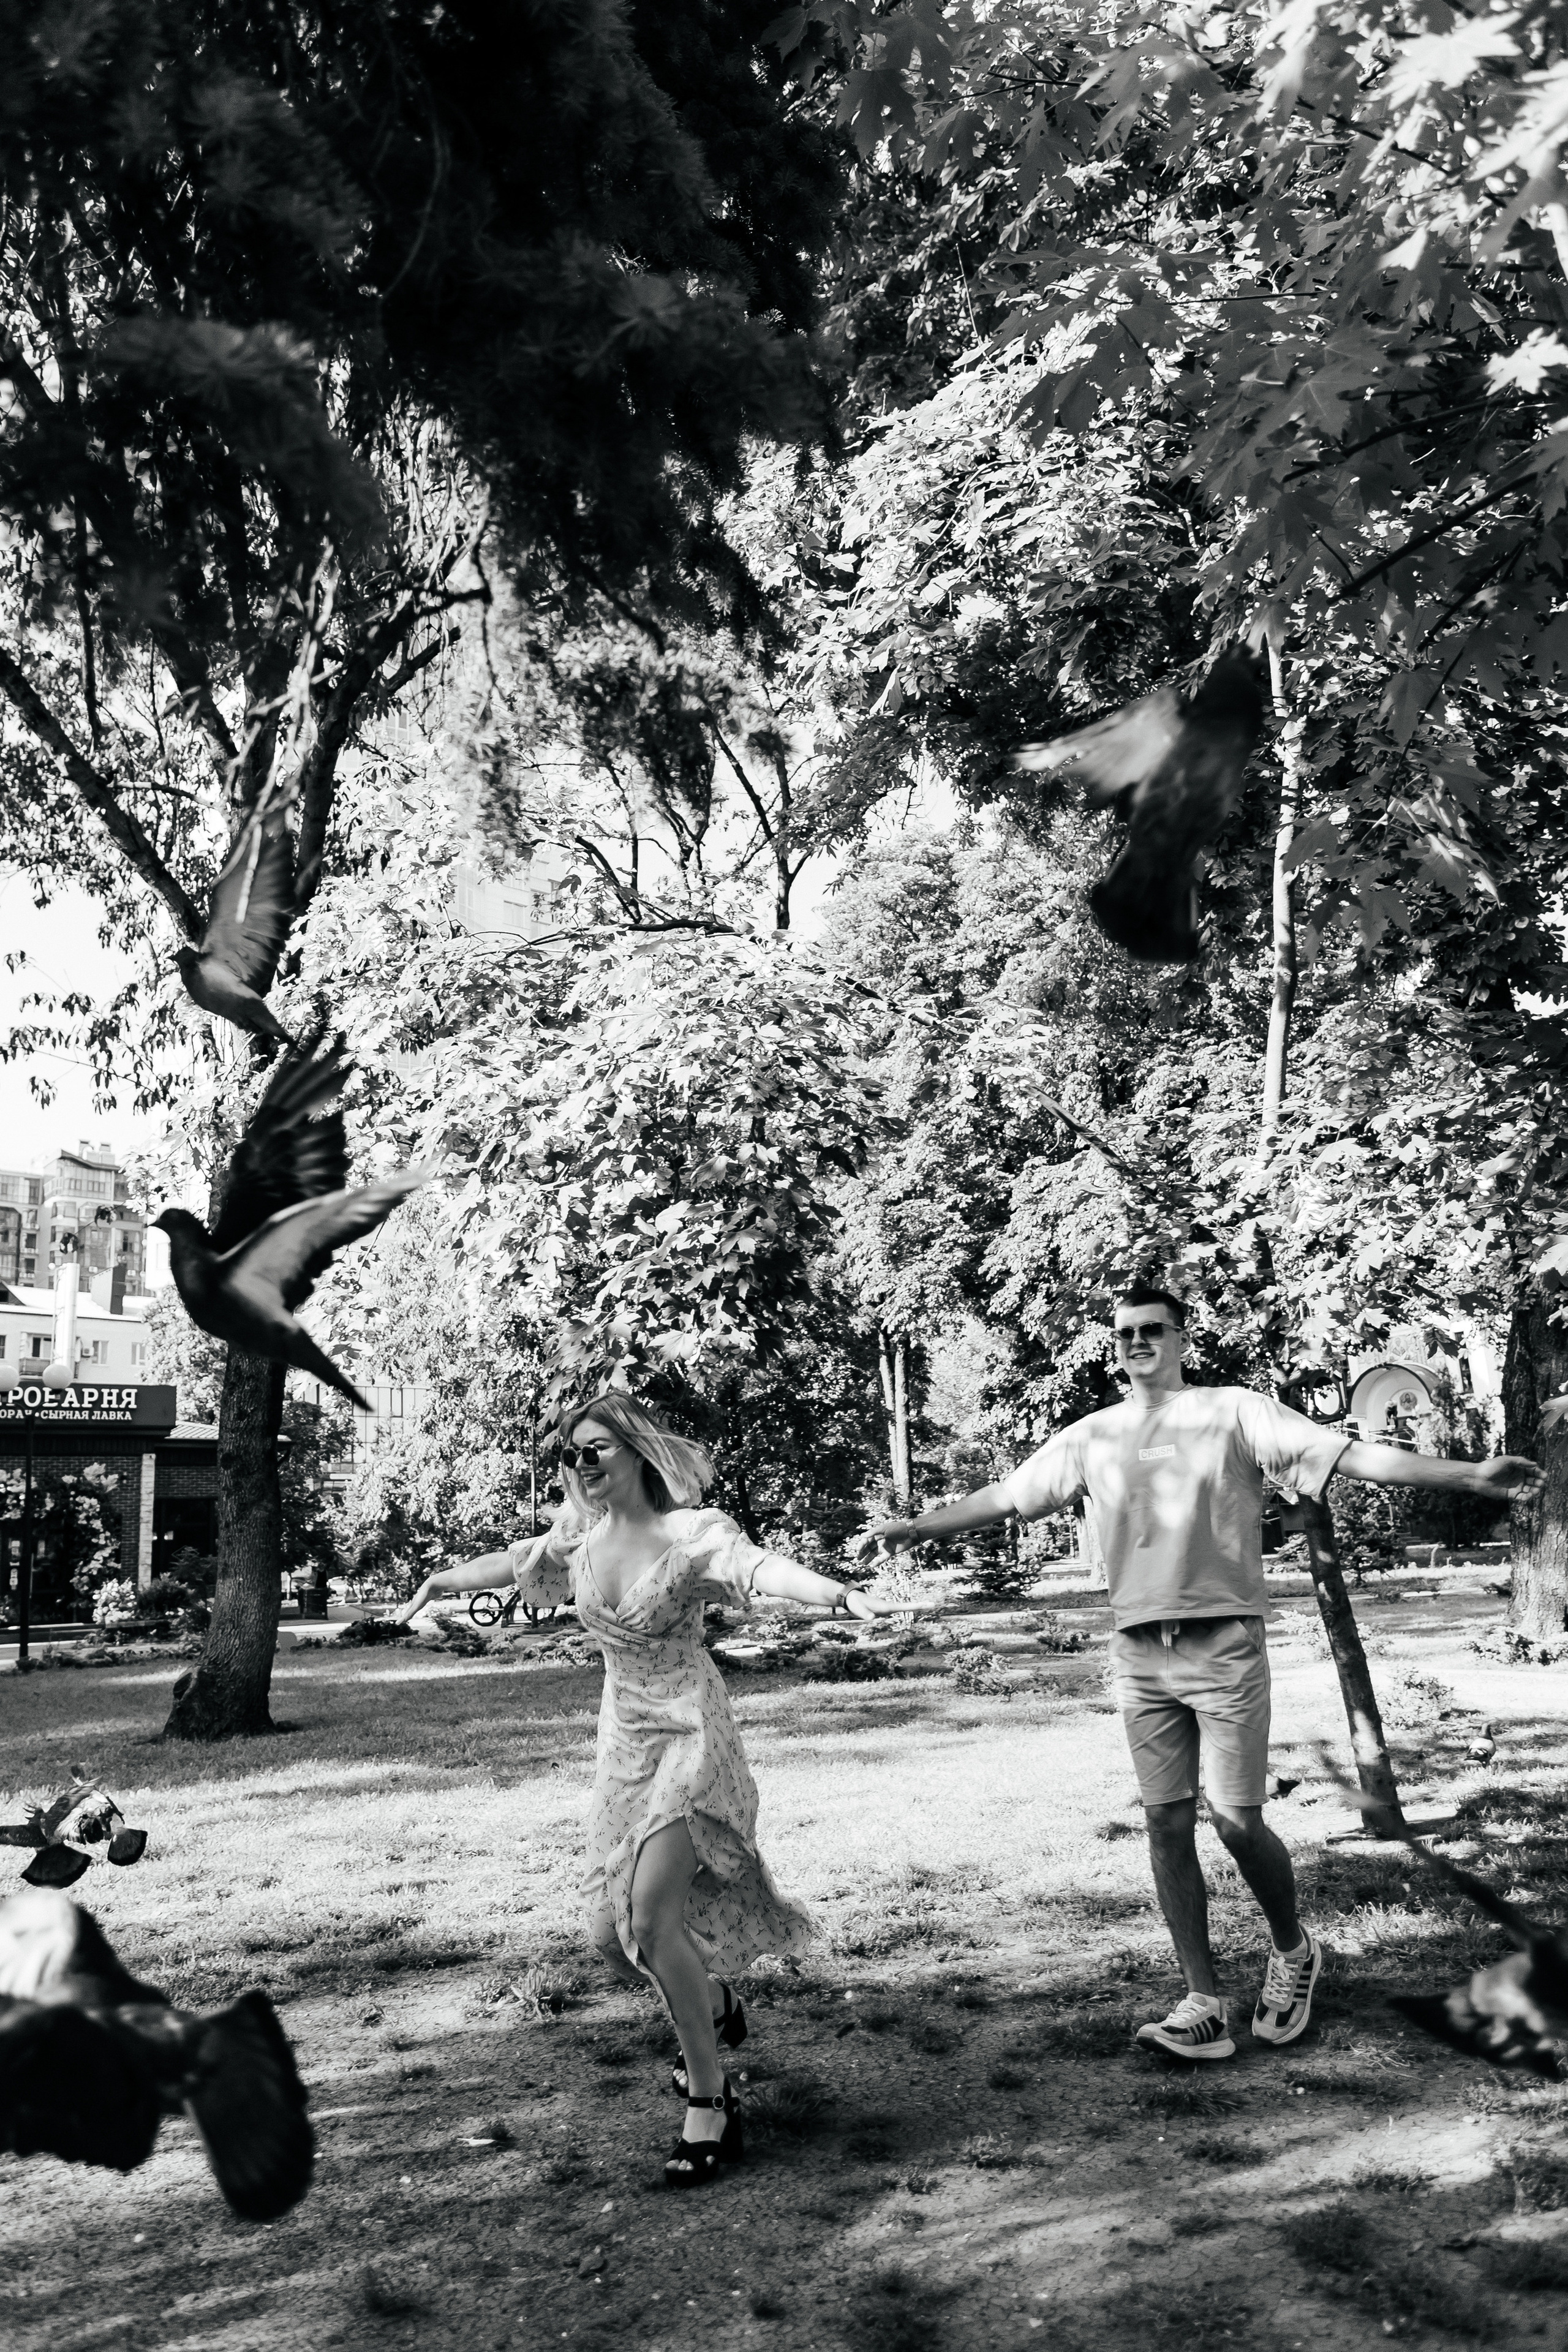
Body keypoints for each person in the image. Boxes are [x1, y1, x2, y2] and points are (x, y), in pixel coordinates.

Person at [870, 1284, 1542, 2062]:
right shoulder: (1093, 1435)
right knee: (1164, 1821)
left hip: (1222, 1644)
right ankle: (1201, 2003)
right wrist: (917, 1527)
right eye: (1124, 1333)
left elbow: (1351, 1456)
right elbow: (1007, 1496)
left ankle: (1292, 1950)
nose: (1136, 1343)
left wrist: (1469, 1476)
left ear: (1182, 1339)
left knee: (1234, 1820)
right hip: (1137, 1649)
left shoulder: (1233, 1412)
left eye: (1152, 1330)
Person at [394, 1392, 888, 2184]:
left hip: (691, 1734)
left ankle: (711, 2102)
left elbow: (758, 1569)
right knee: (608, 1934)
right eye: (572, 1453)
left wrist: (834, 1592)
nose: (582, 1464)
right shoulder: (578, 1538)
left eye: (596, 1448)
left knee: (652, 1919)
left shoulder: (690, 1536)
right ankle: (716, 2006)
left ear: (634, 1451)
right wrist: (438, 1581)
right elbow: (514, 1564)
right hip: (624, 1743)